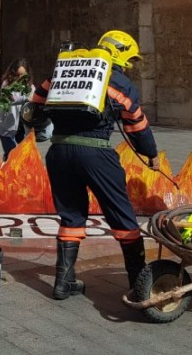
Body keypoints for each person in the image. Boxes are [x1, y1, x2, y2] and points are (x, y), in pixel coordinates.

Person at [31, 30, 157, 300]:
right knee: (122, 217)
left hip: (59, 152)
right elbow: (136, 124)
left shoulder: (63, 70)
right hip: (96, 154)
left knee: (71, 217)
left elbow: (35, 106)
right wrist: (151, 154)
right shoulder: (119, 82)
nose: (130, 65)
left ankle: (63, 283)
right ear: (121, 53)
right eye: (130, 59)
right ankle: (139, 285)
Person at [0, 58, 33, 160]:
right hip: (7, 125)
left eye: (23, 75)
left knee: (19, 156)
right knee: (11, 154)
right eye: (17, 75)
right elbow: (10, 99)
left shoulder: (30, 86)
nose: (20, 78)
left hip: (21, 126)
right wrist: (25, 99)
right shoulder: (7, 84)